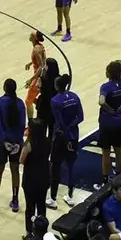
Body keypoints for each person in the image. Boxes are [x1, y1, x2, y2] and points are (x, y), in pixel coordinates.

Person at [0, 79, 25, 215]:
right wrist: (16, 142)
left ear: (4, 88)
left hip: (1, 142)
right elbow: (22, 125)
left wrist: (5, 141)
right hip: (16, 143)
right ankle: (15, 201)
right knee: (15, 171)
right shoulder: (20, 103)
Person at [48, 75, 82, 208]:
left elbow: (60, 121)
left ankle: (52, 198)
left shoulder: (55, 100)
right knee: (71, 165)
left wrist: (66, 130)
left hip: (61, 137)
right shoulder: (75, 96)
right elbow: (81, 116)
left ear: (57, 86)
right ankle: (70, 196)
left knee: (55, 166)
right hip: (74, 134)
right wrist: (72, 125)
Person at [96, 61, 121, 180]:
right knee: (119, 149)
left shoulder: (105, 86)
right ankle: (119, 175)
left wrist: (109, 109)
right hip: (119, 122)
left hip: (107, 123)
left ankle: (105, 178)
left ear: (109, 73)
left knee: (106, 153)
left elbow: (101, 101)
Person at [20, 114, 52, 235]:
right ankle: (42, 230)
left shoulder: (29, 144)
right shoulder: (48, 141)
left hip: (31, 179)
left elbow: (21, 160)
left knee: (30, 208)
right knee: (41, 205)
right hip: (44, 176)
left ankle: (29, 232)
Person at [22, 33, 46, 113]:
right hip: (40, 75)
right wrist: (31, 62)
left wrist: (31, 79)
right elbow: (42, 61)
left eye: (31, 35)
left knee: (28, 101)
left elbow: (41, 66)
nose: (29, 35)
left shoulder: (36, 50)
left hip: (38, 77)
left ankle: (31, 123)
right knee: (31, 99)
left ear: (34, 38)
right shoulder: (39, 46)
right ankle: (43, 106)